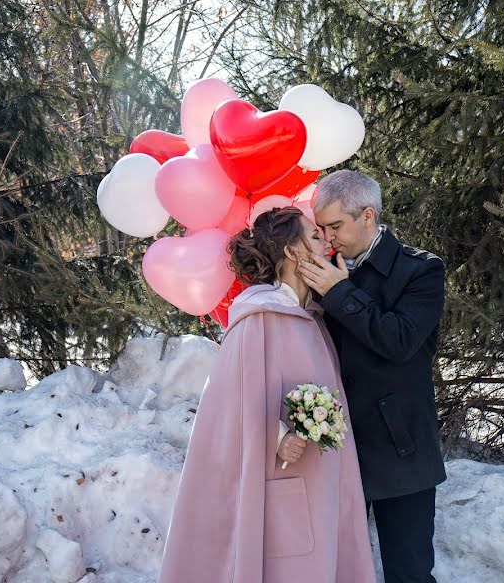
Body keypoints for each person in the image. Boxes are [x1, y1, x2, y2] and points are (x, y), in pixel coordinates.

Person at [157, 206, 376, 583]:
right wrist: (279, 437)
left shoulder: (313, 318)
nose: (325, 242)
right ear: (292, 252)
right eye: (313, 236)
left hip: (322, 479)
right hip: (283, 477)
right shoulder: (258, 317)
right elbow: (230, 402)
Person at [299, 170, 446, 583]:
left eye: (335, 226)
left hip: (402, 448)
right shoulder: (322, 268)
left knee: (409, 572)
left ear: (367, 216)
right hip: (336, 445)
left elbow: (400, 340)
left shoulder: (422, 270)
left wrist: (340, 293)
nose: (327, 238)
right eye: (321, 228)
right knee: (337, 569)